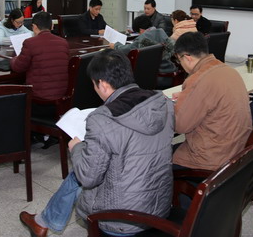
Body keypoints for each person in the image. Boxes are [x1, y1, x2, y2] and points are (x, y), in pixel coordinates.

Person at [19, 49, 174, 237]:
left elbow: (88, 178)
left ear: (103, 84)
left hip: (120, 218)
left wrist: (76, 148)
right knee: (85, 167)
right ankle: (43, 222)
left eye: (93, 84)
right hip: (158, 206)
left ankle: (43, 222)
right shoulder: (162, 102)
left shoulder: (102, 119)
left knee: (80, 172)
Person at [171, 32, 252, 171]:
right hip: (237, 150)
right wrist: (187, 95)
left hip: (212, 159)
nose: (181, 65)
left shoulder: (198, 79)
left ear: (187, 57)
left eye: (179, 61)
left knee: (156, 159)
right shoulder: (229, 70)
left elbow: (180, 125)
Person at [10, 12, 69, 102]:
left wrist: (13, 59)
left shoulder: (30, 43)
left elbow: (18, 68)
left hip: (39, 97)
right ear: (52, 26)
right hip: (62, 96)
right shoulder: (64, 43)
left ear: (34, 26)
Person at [110, 15, 178, 83]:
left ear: (141, 30)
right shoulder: (161, 32)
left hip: (155, 76)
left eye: (138, 32)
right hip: (170, 71)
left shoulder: (143, 38)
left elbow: (126, 50)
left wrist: (115, 45)